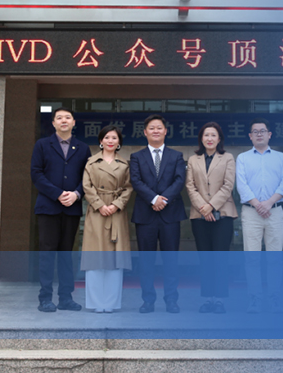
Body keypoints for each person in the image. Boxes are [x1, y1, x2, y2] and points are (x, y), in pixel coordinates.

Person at [30, 107, 91, 313]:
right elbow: (36, 173)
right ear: (53, 123)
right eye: (59, 118)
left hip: (71, 208)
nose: (63, 120)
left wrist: (77, 194)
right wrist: (57, 193)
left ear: (74, 122)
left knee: (67, 255)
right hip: (48, 207)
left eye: (67, 117)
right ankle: (45, 298)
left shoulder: (82, 148)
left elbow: (88, 177)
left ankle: (66, 298)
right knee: (47, 254)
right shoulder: (42, 145)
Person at [130, 114, 187, 314]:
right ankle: (148, 301)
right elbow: (136, 181)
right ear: (145, 132)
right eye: (152, 128)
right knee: (146, 262)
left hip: (170, 215)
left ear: (165, 131)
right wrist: (154, 199)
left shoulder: (176, 155)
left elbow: (179, 180)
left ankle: (171, 300)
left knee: (171, 261)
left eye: (159, 128)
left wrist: (164, 199)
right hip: (145, 215)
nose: (156, 131)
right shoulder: (136, 156)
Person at [235, 117, 283, 314]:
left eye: (263, 131)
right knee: (252, 258)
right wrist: (258, 204)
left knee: (275, 258)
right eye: (255, 132)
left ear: (270, 134)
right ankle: (255, 299)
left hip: (274, 211)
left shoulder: (281, 157)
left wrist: (267, 203)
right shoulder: (242, 158)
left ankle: (274, 298)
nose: (259, 134)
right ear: (250, 136)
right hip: (251, 213)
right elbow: (241, 185)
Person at [81, 125, 133, 313]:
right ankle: (95, 303)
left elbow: (128, 187)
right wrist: (100, 205)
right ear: (101, 141)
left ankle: (111, 303)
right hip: (97, 212)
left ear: (119, 142)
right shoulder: (91, 163)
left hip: (116, 213)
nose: (110, 141)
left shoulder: (124, 164)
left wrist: (116, 205)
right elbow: (86, 186)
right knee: (95, 258)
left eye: (114, 138)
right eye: (107, 137)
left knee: (114, 259)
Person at [186, 121, 236, 314]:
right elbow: (190, 186)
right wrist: (203, 209)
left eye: (213, 135)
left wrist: (211, 206)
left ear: (219, 138)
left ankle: (220, 300)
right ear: (201, 138)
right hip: (199, 216)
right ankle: (208, 299)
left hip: (223, 214)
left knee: (220, 259)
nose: (209, 138)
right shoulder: (193, 160)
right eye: (206, 135)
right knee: (205, 259)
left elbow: (228, 185)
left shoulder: (228, 158)